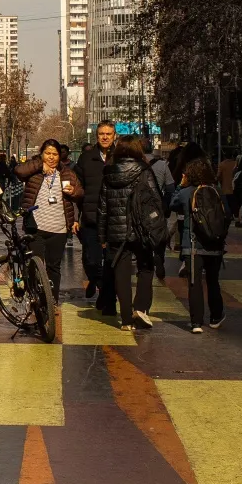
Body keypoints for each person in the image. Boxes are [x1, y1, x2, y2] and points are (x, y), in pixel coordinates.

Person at [101, 138, 161, 330]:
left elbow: (102, 208)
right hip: (141, 229)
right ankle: (140, 309)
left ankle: (126, 319)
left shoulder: (108, 172)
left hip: (116, 231)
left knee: (121, 274)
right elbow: (155, 199)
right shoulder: (144, 170)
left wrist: (102, 236)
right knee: (146, 267)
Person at [17, 139, 82, 301]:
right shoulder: (34, 170)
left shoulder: (67, 173)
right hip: (36, 227)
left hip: (58, 229)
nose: (51, 157)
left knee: (54, 267)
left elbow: (80, 193)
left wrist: (73, 191)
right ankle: (35, 298)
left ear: (60, 156)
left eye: (55, 154)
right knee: (35, 264)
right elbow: (19, 171)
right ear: (41, 154)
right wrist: (39, 165)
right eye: (47, 154)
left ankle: (52, 302)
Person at [171, 157, 226, 334]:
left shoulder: (186, 192)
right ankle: (216, 317)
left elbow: (172, 204)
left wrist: (180, 185)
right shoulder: (216, 191)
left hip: (192, 244)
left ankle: (196, 322)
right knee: (213, 281)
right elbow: (228, 215)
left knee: (194, 283)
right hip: (215, 245)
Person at [76, 122, 118, 309]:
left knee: (111, 262)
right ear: (96, 136)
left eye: (109, 133)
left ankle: (107, 299)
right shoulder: (86, 158)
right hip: (91, 217)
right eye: (102, 133)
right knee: (91, 260)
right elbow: (77, 189)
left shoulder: (121, 157)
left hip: (115, 218)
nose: (105, 137)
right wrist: (76, 216)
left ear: (114, 135)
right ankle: (98, 282)